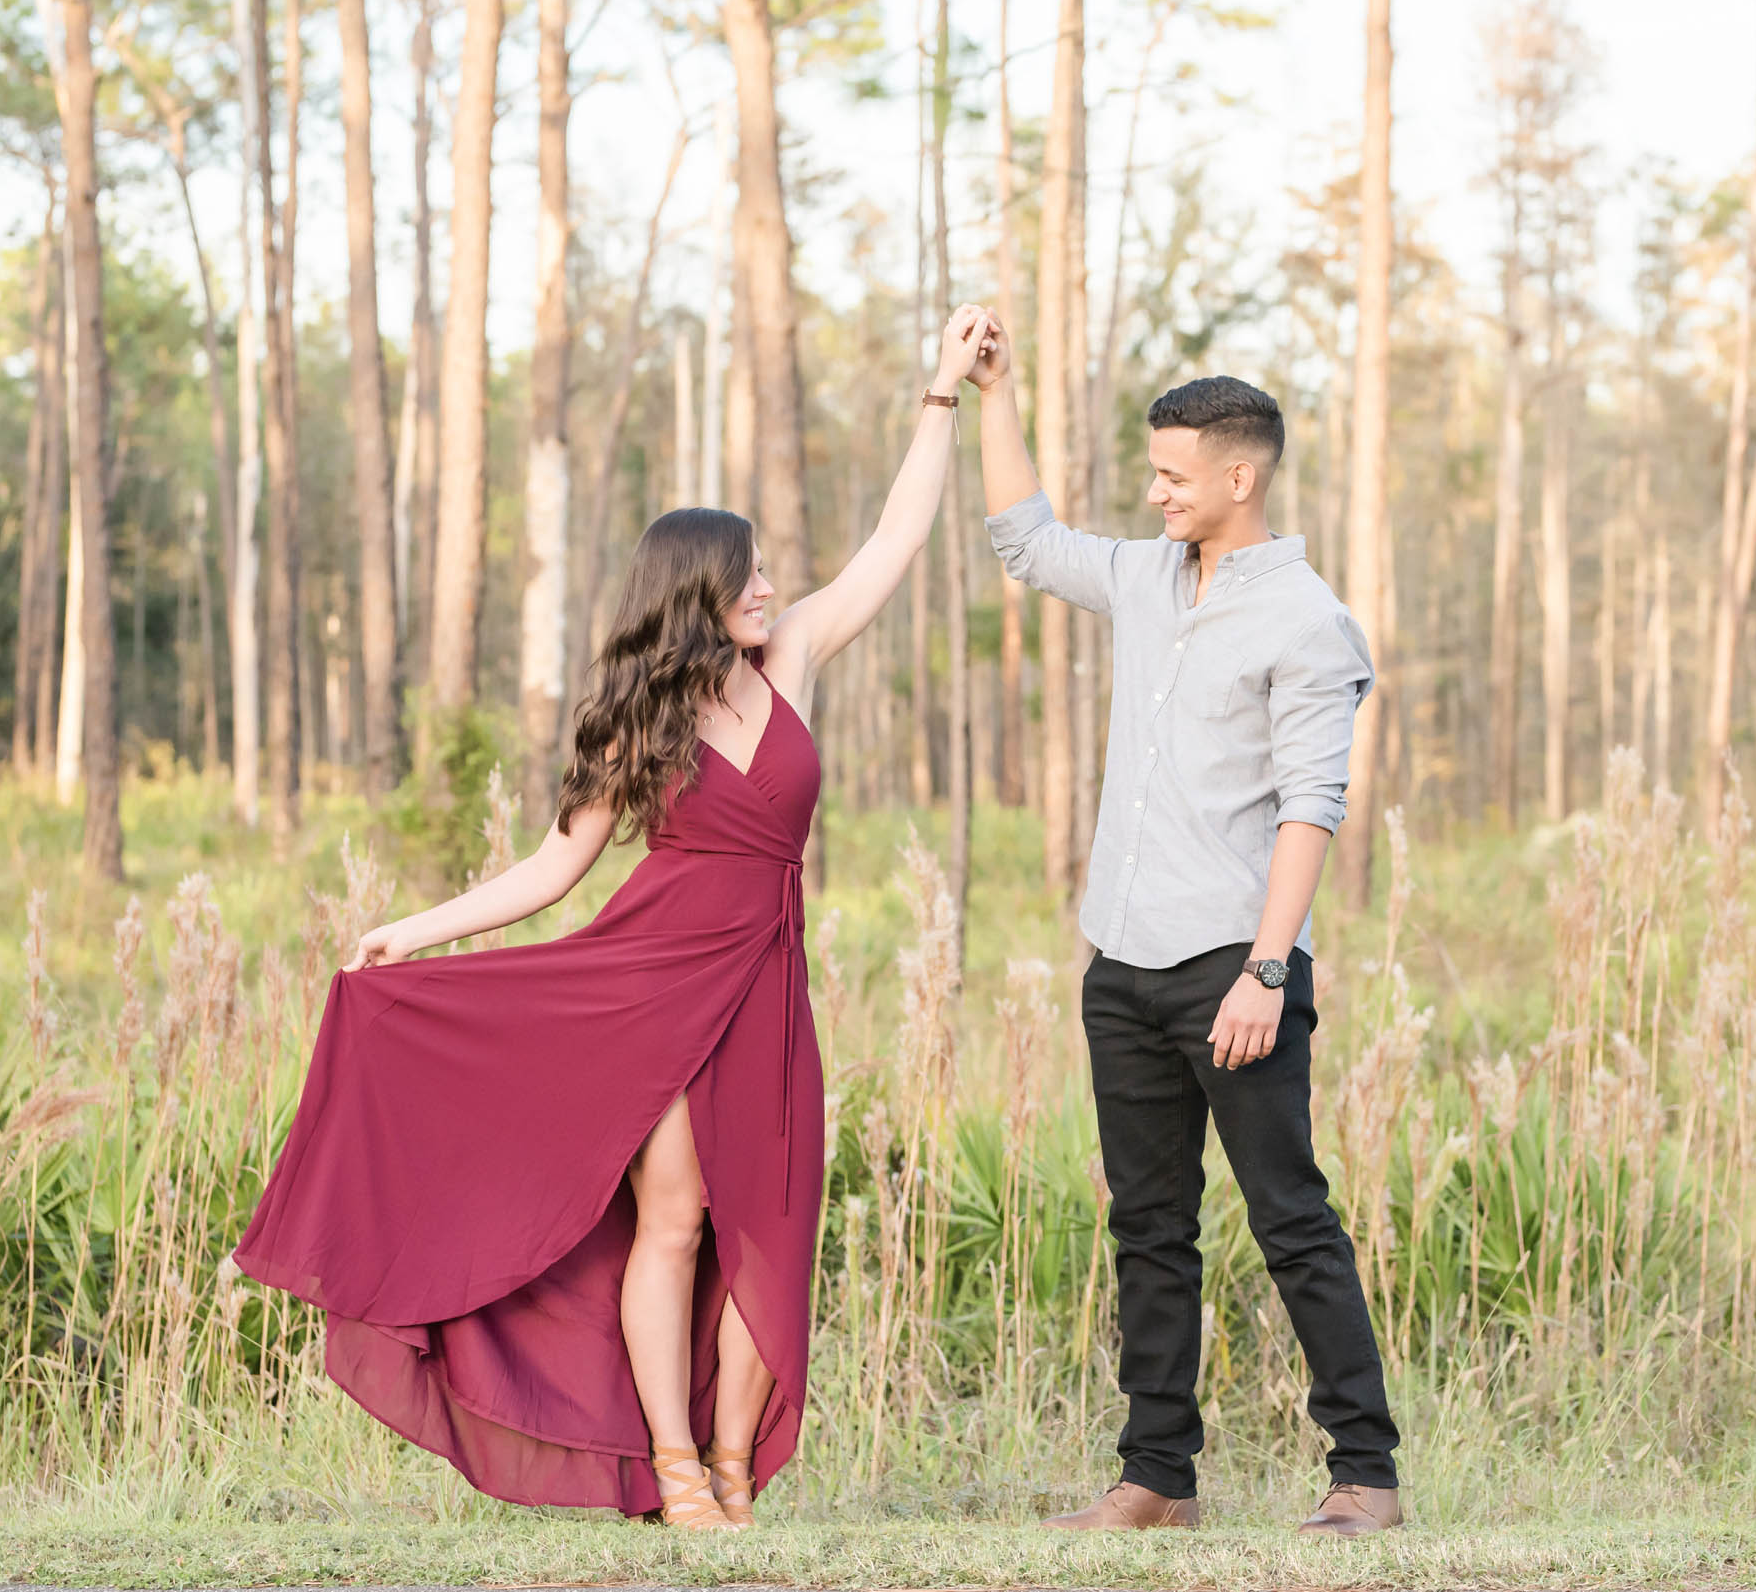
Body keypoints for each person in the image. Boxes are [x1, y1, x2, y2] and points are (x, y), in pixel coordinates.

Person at [234, 305, 999, 1530]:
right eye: (747, 573)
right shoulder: (636, 724)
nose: (771, 585)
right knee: (679, 1221)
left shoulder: (789, 662)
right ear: (696, 594)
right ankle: (678, 1466)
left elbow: (894, 545)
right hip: (650, 996)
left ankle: (741, 1464)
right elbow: (551, 873)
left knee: (777, 1232)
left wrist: (941, 395)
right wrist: (414, 932)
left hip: (770, 986)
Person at [966, 313, 1403, 1536]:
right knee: (1146, 1228)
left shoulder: (1308, 621)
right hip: (1124, 959)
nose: (1153, 492)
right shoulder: (1148, 579)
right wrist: (995, 392)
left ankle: (1365, 1475)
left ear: (1237, 477)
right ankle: (1157, 1479)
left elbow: (1312, 807)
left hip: (1233, 963)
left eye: (1170, 474)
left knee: (1289, 1220)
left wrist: (1268, 969)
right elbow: (1027, 541)